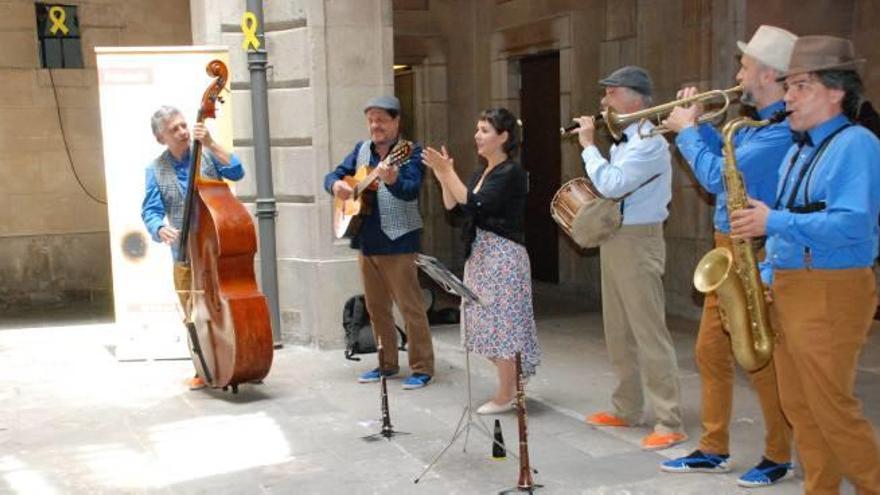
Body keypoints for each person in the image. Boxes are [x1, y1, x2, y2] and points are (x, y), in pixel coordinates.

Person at [730, 36, 880, 493]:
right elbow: (795, 221)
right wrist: (769, 274)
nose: (788, 96)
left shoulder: (857, 144)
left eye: (801, 86)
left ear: (835, 91)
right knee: (799, 406)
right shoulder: (799, 148)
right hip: (794, 284)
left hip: (832, 288)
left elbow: (852, 224)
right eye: (789, 85)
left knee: (831, 408)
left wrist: (772, 220)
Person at [659, 26, 796, 487]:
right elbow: (728, 154)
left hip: (754, 251)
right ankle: (713, 447)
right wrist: (697, 123)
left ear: (769, 73)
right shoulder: (753, 124)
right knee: (710, 354)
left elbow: (718, 177)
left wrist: (686, 133)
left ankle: (778, 454)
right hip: (726, 253)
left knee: (759, 358)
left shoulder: (781, 133)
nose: (737, 74)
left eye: (745, 65)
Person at [572, 66, 685, 450]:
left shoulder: (650, 142)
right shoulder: (625, 141)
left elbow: (611, 184)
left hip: (639, 241)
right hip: (617, 237)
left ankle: (669, 420)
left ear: (636, 97)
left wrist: (588, 146)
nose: (604, 102)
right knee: (618, 330)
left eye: (612, 93)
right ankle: (627, 407)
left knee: (648, 331)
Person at [422, 108, 541, 414]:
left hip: (503, 257)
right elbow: (457, 210)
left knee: (502, 325)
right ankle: (511, 385)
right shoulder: (482, 172)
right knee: (483, 325)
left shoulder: (510, 173)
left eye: (485, 130)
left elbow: (477, 203)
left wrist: (448, 173)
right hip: (482, 256)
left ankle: (507, 393)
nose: (477, 135)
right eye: (477, 128)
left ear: (503, 137)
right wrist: (441, 175)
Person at [324, 96, 435, 390]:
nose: (375, 125)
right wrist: (336, 185)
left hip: (398, 241)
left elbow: (410, 191)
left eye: (382, 120)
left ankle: (422, 367)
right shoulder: (361, 150)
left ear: (396, 121)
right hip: (366, 240)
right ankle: (386, 364)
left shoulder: (410, 153)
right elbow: (333, 176)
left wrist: (393, 179)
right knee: (376, 308)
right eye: (371, 120)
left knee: (410, 307)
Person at [141, 105, 245, 390]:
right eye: (174, 129)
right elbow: (150, 211)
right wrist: (158, 228)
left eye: (183, 125)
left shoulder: (207, 154)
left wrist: (210, 141)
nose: (183, 132)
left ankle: (242, 358)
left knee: (231, 306)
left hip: (219, 247)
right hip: (185, 255)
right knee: (193, 314)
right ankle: (203, 367)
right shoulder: (155, 169)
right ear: (161, 138)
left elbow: (237, 171)